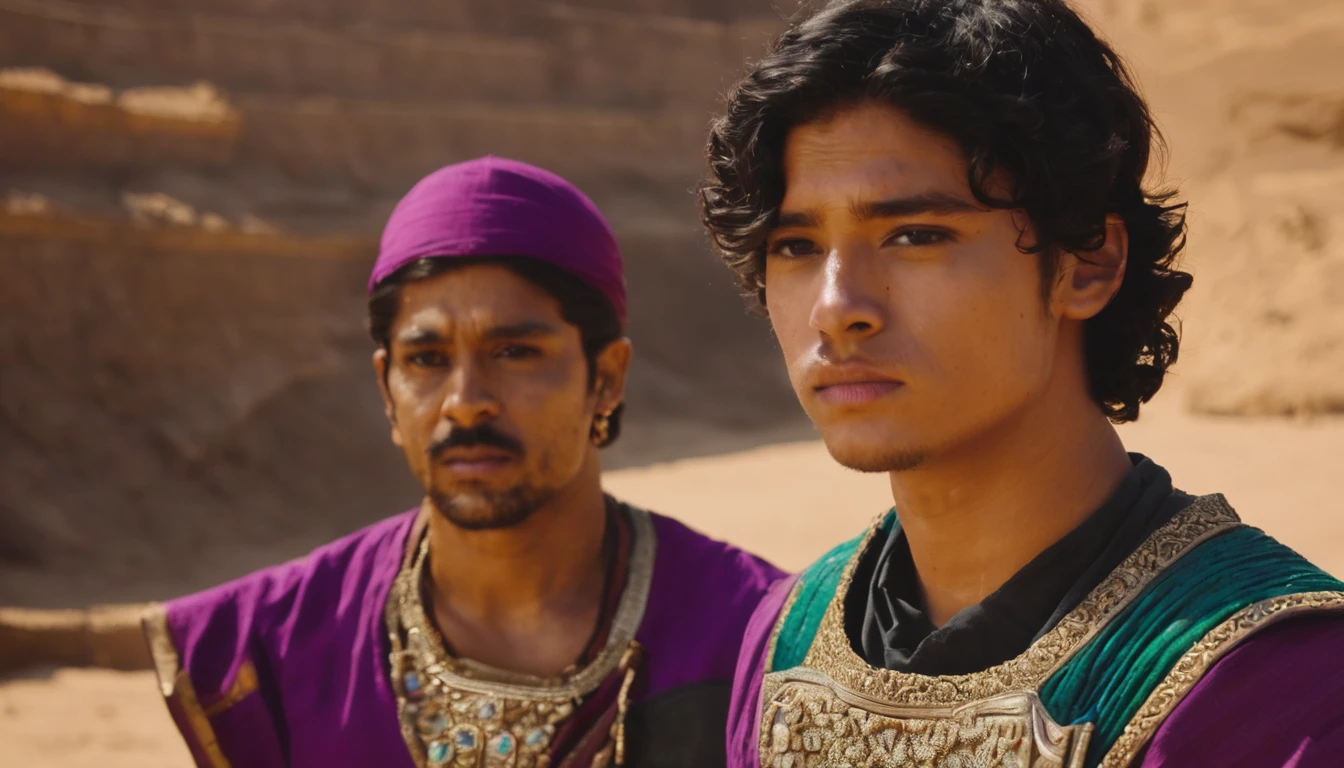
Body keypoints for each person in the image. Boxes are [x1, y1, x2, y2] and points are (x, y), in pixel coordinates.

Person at [698, 1, 1344, 766]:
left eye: (915, 236)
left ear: (1088, 264)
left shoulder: (1279, 684)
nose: (837, 308)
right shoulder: (784, 638)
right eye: (797, 245)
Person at [143, 156, 784, 768]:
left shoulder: (750, 635)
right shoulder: (274, 650)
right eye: (426, 360)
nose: (466, 402)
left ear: (607, 379)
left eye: (514, 353)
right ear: (386, 390)